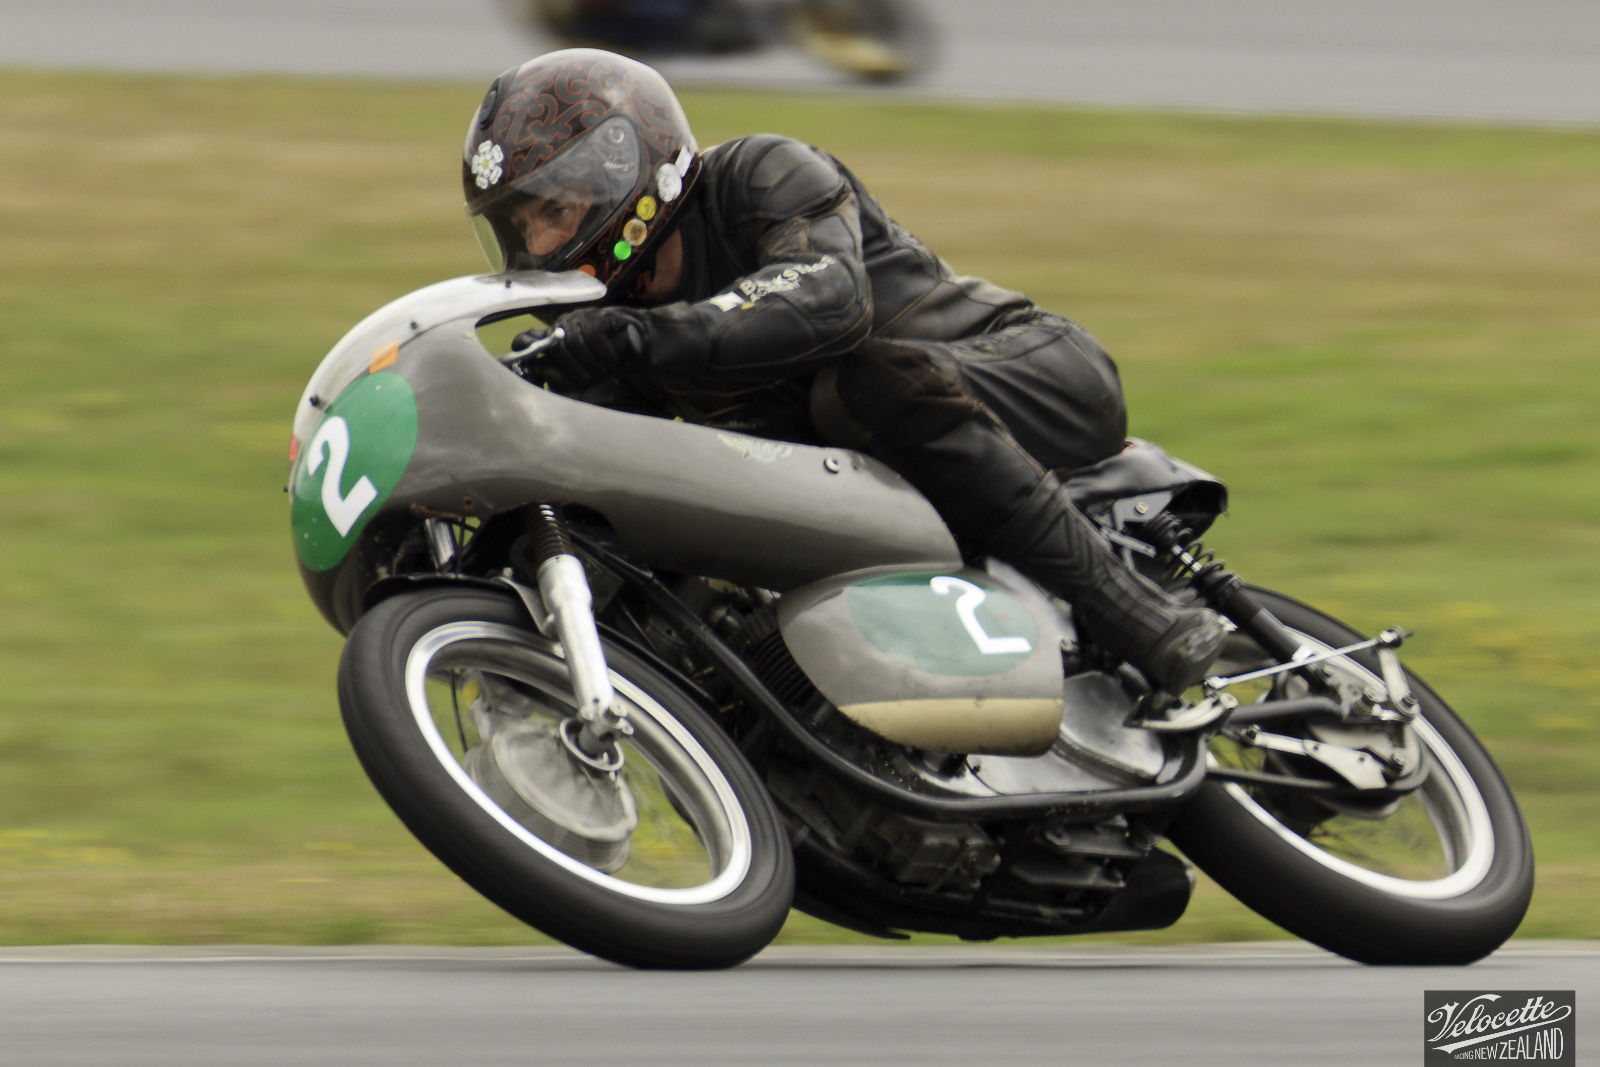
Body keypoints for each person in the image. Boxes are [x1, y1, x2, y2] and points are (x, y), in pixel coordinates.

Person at [462, 48, 1225, 696]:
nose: (538, 243)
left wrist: (636, 337)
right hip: (887, 485)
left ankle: (1128, 609)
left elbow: (829, 300)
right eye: (519, 227)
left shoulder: (759, 173)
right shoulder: (616, 339)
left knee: (862, 383)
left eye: (551, 211)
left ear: (617, 169)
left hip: (1036, 372)